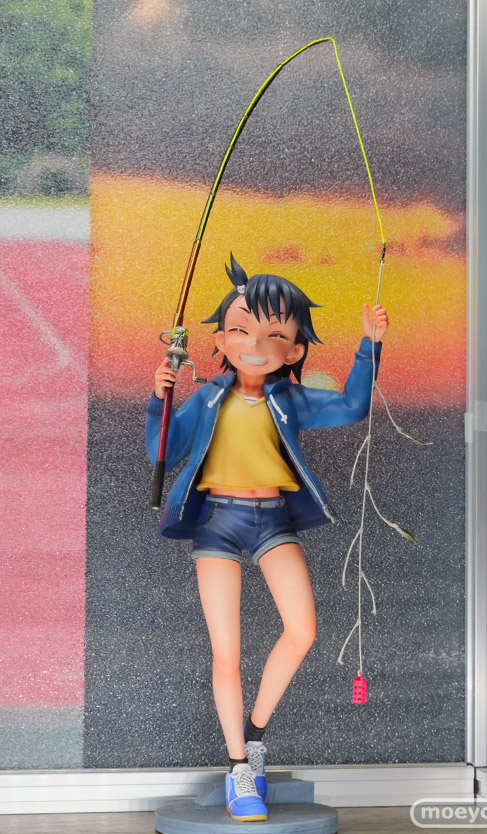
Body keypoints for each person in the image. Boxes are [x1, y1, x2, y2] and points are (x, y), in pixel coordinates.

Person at [146, 253, 389, 822]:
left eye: (275, 334)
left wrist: (369, 344)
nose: (255, 344)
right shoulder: (207, 397)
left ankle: (254, 735)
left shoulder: (291, 399)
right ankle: (238, 768)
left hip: (273, 520)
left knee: (302, 630)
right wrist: (160, 398)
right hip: (217, 523)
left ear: (295, 350)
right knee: (226, 652)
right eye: (240, 330)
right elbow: (163, 450)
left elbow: (352, 406)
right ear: (221, 340)